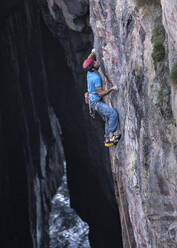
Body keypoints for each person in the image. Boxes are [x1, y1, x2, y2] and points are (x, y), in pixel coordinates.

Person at [82, 49, 121, 147]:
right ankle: (111, 135)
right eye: (94, 63)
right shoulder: (95, 78)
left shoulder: (89, 72)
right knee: (113, 114)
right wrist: (112, 89)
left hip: (93, 102)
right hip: (96, 103)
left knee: (107, 117)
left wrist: (92, 53)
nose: (96, 62)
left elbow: (88, 59)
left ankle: (107, 139)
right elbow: (100, 93)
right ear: (92, 68)